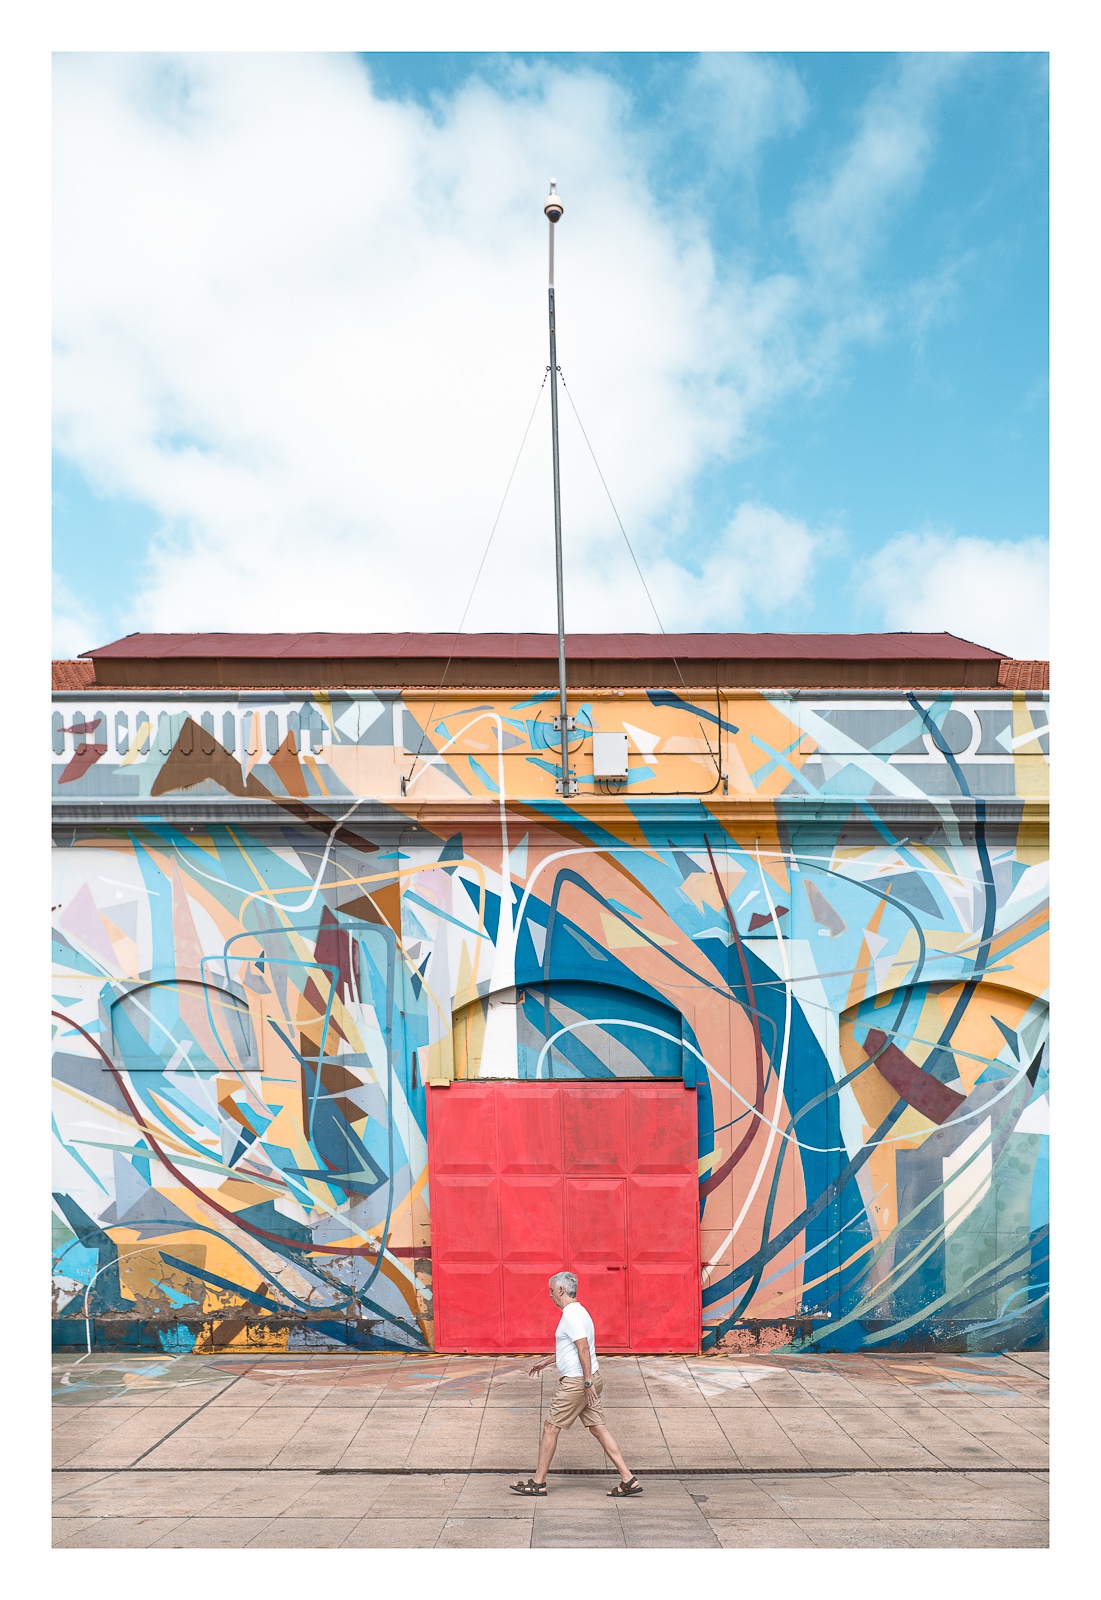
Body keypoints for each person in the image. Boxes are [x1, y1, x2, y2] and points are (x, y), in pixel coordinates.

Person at [509, 1270, 642, 1497]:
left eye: (551, 1291)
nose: (550, 1295)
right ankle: (628, 1479)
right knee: (598, 1428)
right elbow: (570, 1348)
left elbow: (583, 1348)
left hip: (577, 1383)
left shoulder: (570, 1315)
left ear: (561, 1290)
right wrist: (547, 1362)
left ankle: (538, 1482)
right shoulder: (580, 1311)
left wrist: (587, 1382)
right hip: (588, 1379)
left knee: (551, 1427)